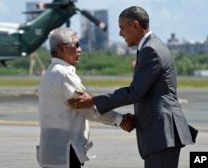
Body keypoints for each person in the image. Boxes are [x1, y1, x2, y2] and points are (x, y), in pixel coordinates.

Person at [68, 6, 198, 168]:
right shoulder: (150, 47)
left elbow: (135, 92)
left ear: (135, 25)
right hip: (159, 132)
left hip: (162, 132)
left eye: (122, 28)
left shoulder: (151, 50)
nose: (120, 34)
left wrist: (93, 100)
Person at [37, 27, 135, 168]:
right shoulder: (64, 75)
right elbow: (88, 109)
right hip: (66, 152)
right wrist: (120, 120)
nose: (80, 49)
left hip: (51, 151)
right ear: (62, 49)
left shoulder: (49, 73)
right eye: (76, 45)